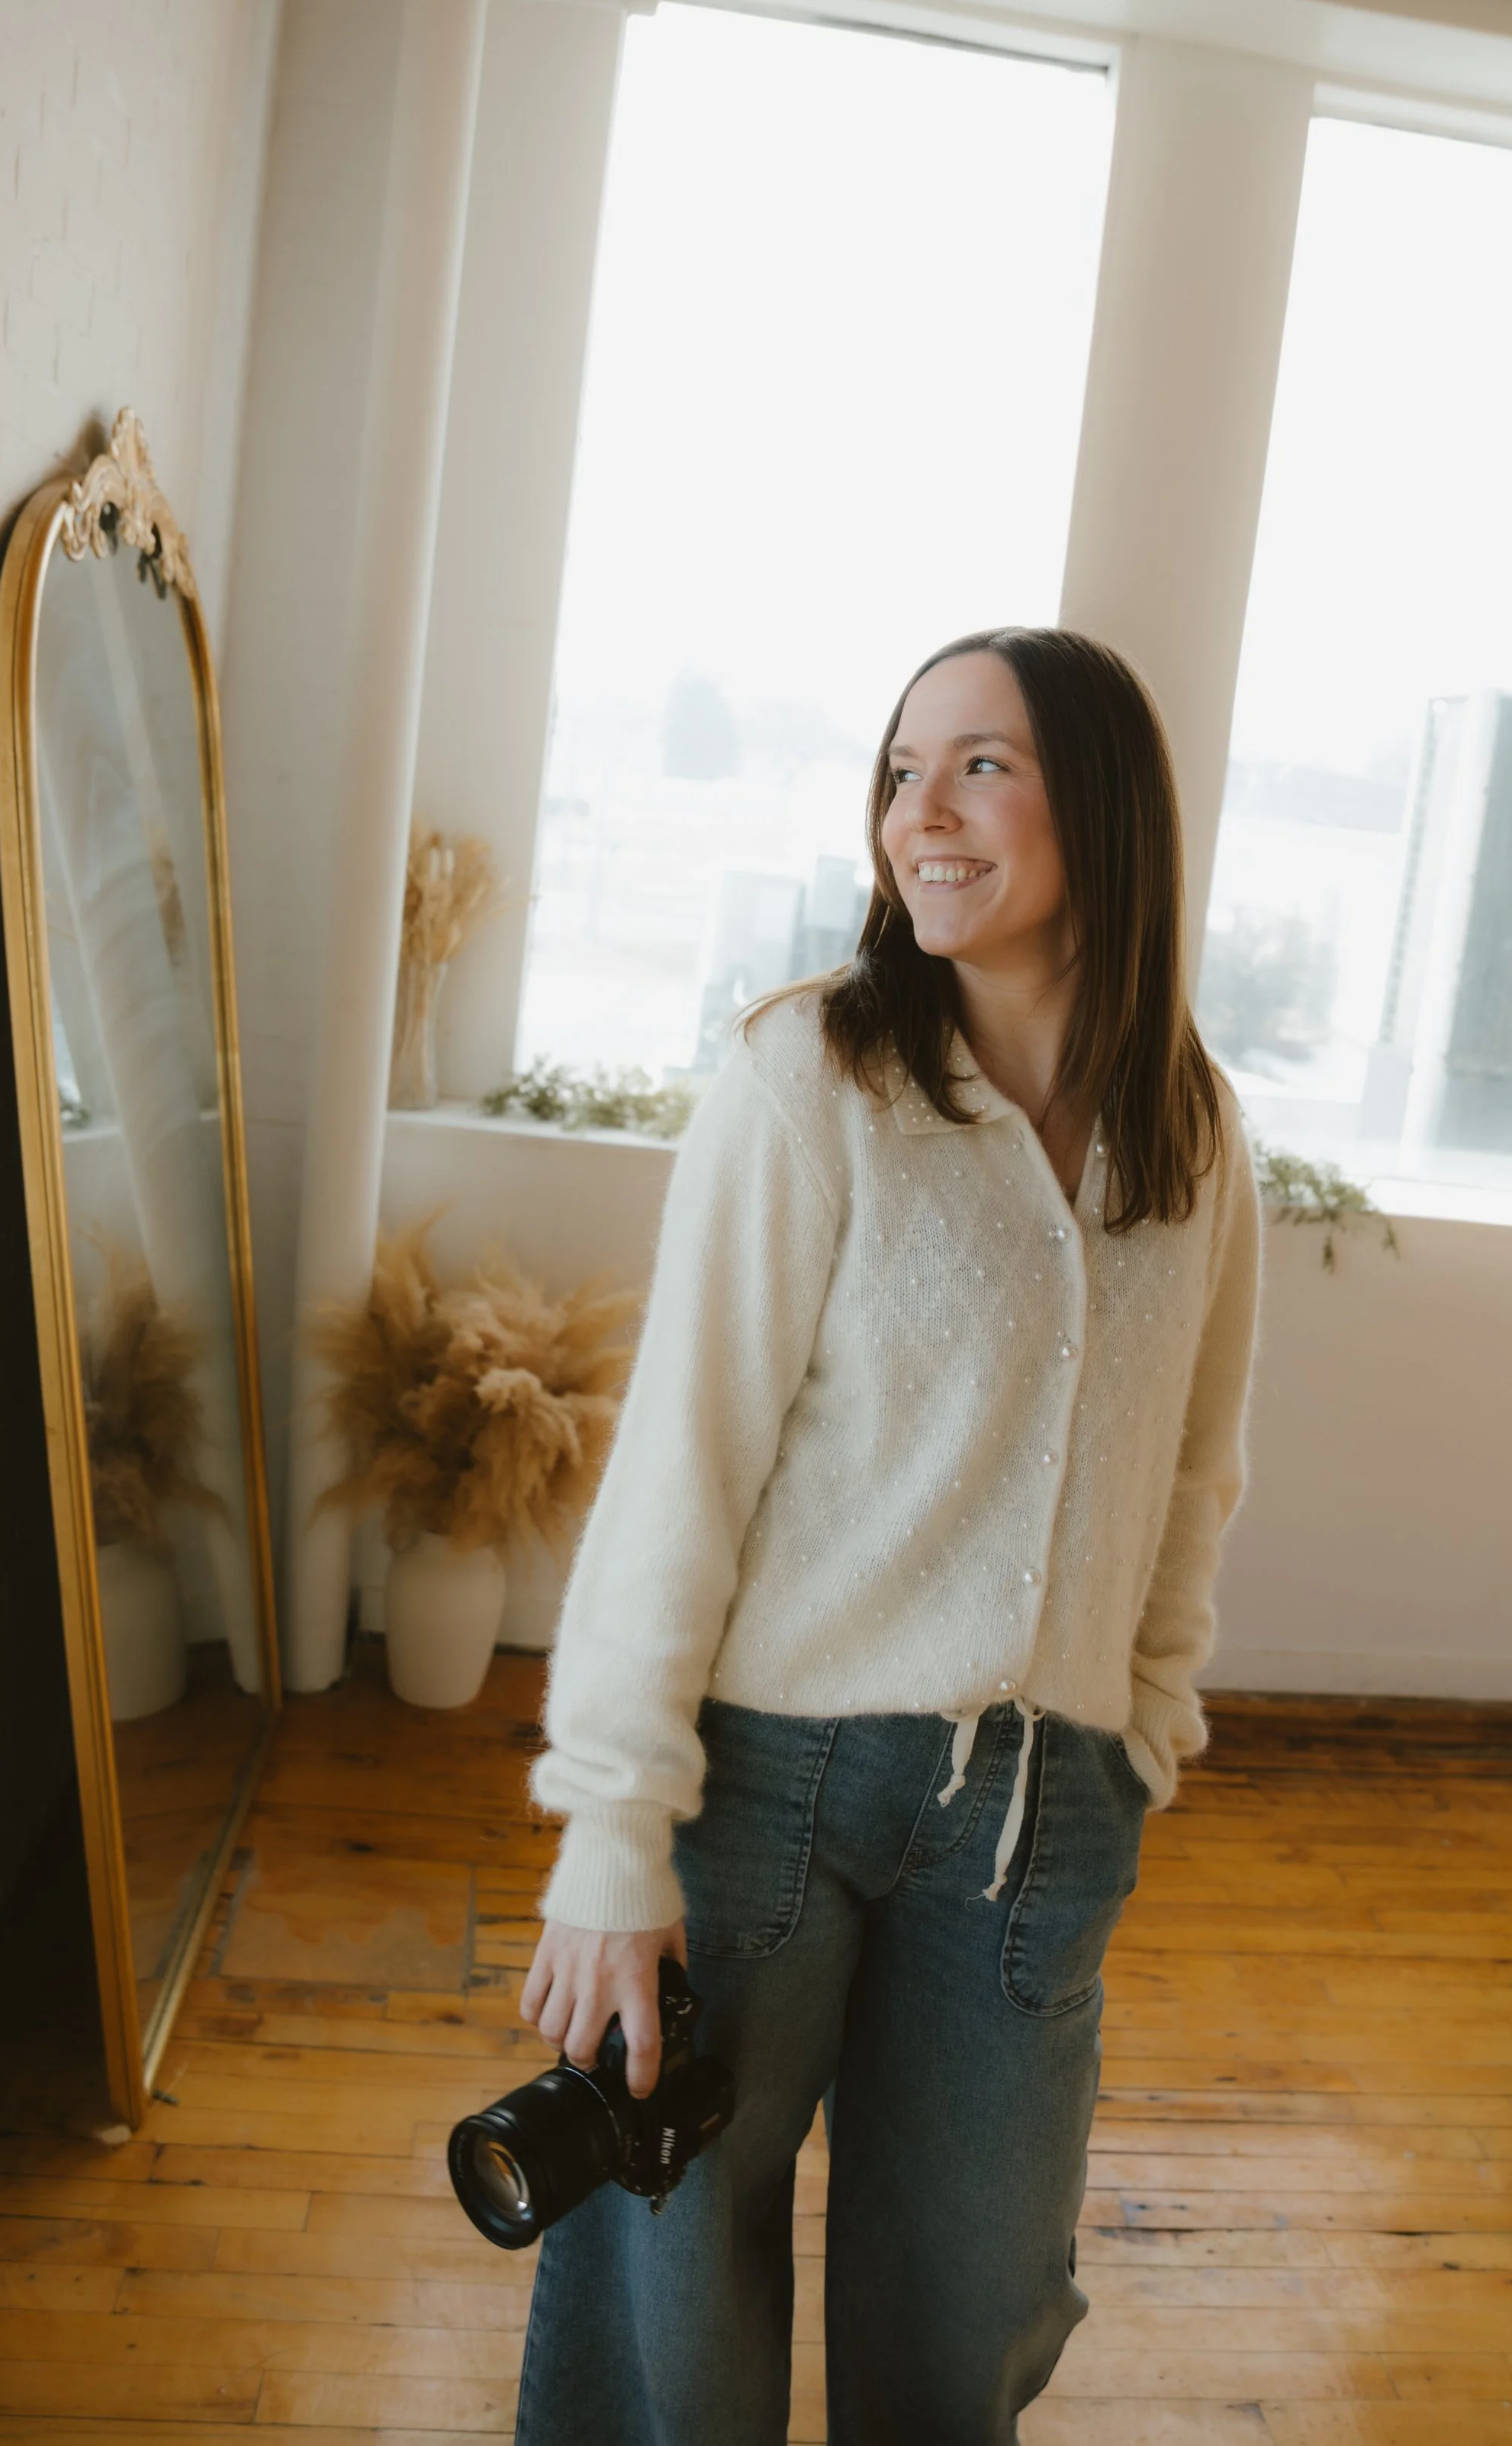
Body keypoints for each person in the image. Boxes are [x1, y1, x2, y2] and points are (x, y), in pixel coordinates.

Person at [514, 626, 1261, 2446]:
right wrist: (610, 1834)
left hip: (1041, 1814)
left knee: (974, 2301)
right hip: (775, 1790)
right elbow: (678, 1470)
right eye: (898, 774)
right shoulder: (811, 1080)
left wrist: (1141, 1730)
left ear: (1102, 803)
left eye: (979, 767)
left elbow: (1191, 1471)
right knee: (667, 2274)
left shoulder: (1191, 1126)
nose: (917, 814)